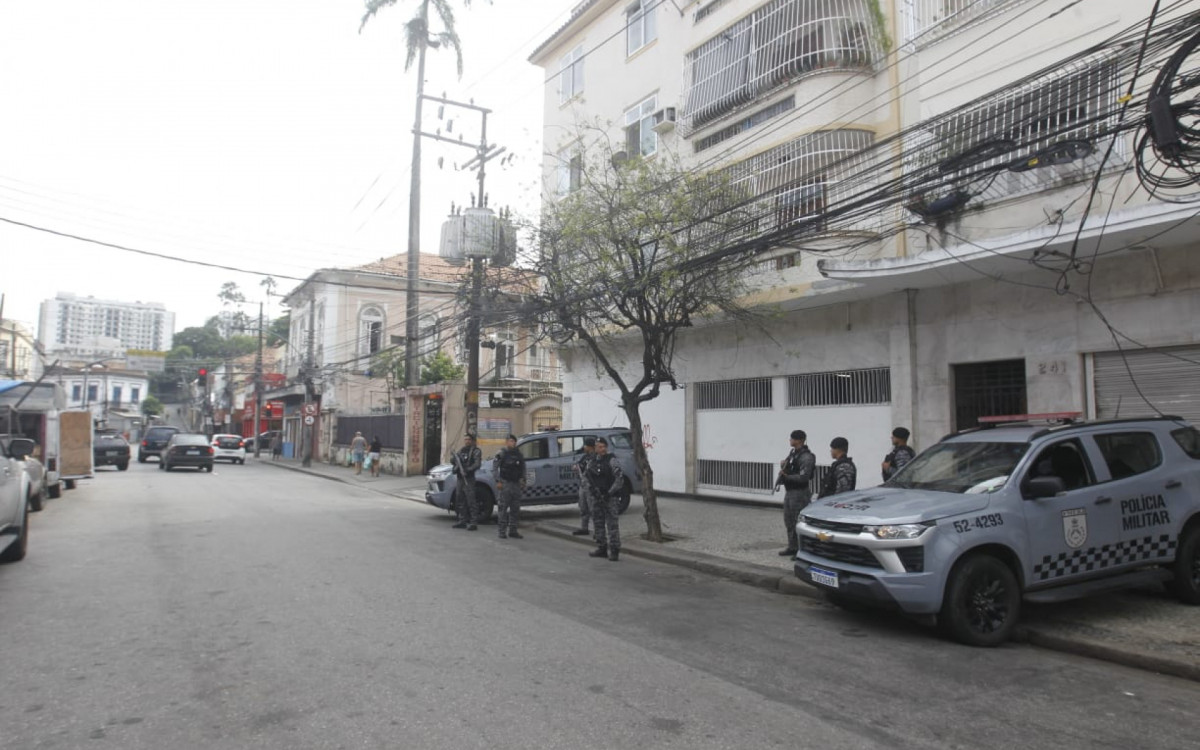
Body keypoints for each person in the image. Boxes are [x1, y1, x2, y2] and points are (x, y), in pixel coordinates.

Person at [776, 429, 816, 557]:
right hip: (790, 491)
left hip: (800, 493)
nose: (790, 440)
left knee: (799, 522)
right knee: (789, 521)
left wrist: (787, 476)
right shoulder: (793, 453)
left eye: (792, 438)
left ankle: (802, 550)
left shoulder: (806, 456)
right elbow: (789, 467)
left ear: (799, 440)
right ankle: (792, 547)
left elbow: (804, 477)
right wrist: (784, 465)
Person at [586, 436, 625, 562]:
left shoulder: (612, 460)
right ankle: (602, 548)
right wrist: (592, 491)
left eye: (603, 447)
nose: (601, 449)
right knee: (598, 524)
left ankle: (614, 550)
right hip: (597, 498)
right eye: (599, 447)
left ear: (606, 447)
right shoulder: (592, 461)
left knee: (612, 525)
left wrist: (609, 493)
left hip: (610, 498)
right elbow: (587, 478)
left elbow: (619, 479)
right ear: (595, 448)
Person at [492, 434, 526, 539]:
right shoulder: (502, 453)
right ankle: (502, 531)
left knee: (515, 508)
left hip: (516, 484)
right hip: (505, 484)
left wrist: (523, 480)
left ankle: (513, 530)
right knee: (503, 508)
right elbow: (495, 468)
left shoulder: (519, 454)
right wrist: (498, 481)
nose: (513, 443)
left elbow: (523, 468)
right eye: (511, 441)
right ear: (507, 442)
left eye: (514, 441)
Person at [451, 434, 482, 531]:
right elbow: (454, 461)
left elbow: (477, 464)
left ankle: (473, 522)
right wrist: (454, 458)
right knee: (460, 499)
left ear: (472, 441)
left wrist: (467, 470)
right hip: (460, 478)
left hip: (469, 478)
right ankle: (462, 521)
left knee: (471, 501)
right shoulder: (462, 450)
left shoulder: (476, 451)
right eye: (465, 439)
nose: (467, 441)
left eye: (468, 439)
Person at [571, 437, 597, 536]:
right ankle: (584, 528)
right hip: (583, 485)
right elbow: (579, 465)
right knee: (583, 507)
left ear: (590, 447)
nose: (584, 447)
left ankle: (598, 530)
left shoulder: (595, 457)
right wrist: (576, 468)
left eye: (585, 445)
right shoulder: (585, 456)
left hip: (591, 486)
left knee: (593, 509)